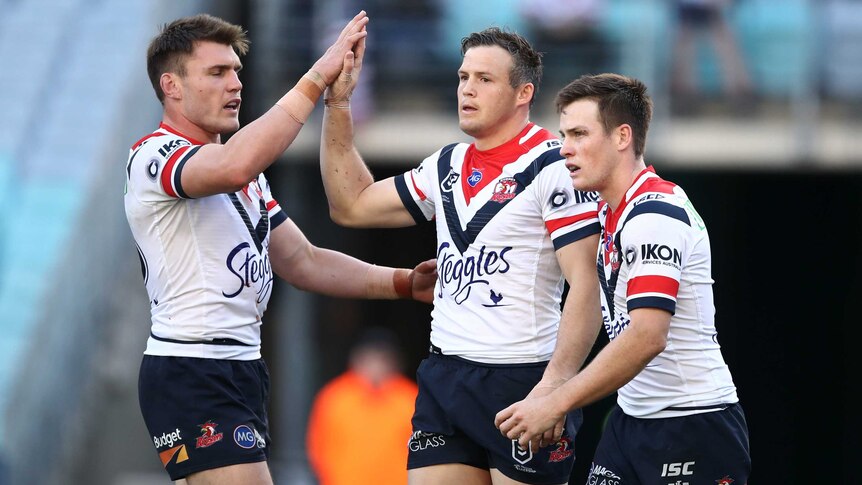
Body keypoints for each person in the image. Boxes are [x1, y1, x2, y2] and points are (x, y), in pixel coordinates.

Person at [124, 13, 437, 485]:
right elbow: (233, 164)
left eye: (236, 72)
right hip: (193, 365)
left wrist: (399, 282)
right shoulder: (155, 154)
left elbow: (303, 260)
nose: (235, 85)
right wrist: (315, 78)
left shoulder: (245, 176)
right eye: (216, 73)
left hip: (240, 366)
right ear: (171, 85)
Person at [319, 27, 603, 485]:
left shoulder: (554, 166)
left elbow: (587, 286)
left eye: (485, 80)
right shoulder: (445, 164)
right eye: (463, 76)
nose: (467, 89)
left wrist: (554, 388)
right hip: (445, 375)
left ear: (522, 93)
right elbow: (351, 205)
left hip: (524, 379)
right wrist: (338, 105)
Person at [495, 73, 751, 484]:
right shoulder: (609, 211)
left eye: (579, 133)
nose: (565, 149)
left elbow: (648, 336)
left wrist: (557, 401)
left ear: (622, 137)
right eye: (563, 134)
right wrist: (550, 385)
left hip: (692, 424)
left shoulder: (654, 215)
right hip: (630, 420)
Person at [306, 327, 418, 485]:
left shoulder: (411, 399)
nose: (376, 366)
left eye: (383, 359)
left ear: (395, 362)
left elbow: (424, 451)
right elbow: (318, 449)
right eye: (370, 359)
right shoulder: (334, 397)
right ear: (356, 360)